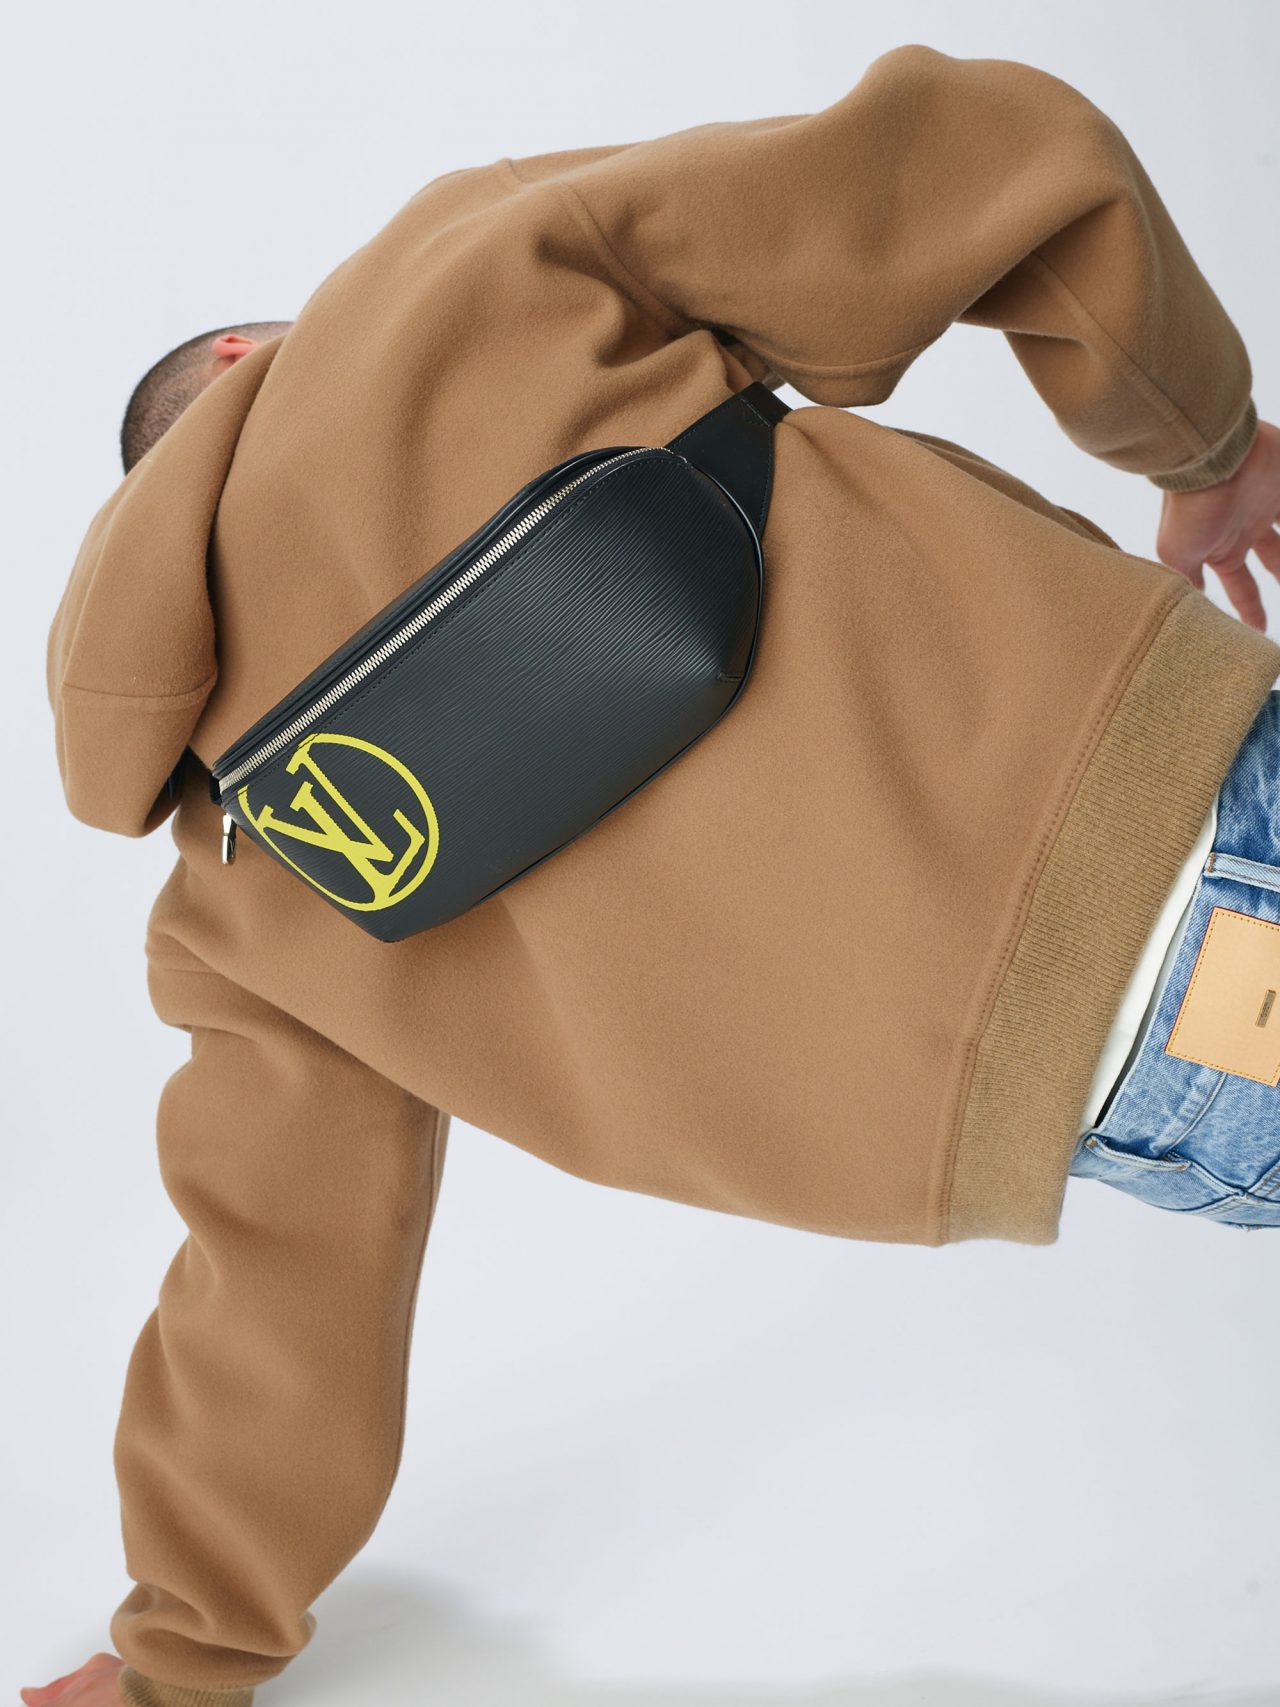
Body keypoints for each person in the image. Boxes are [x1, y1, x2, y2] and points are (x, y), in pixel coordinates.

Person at [27, 40, 1280, 1707]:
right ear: (254, 351)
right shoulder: (450, 278)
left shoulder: (236, 888)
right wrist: (1204, 445)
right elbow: (1007, 159)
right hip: (1182, 771)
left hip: (1118, 1092)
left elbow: (281, 1286)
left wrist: (179, 1654)